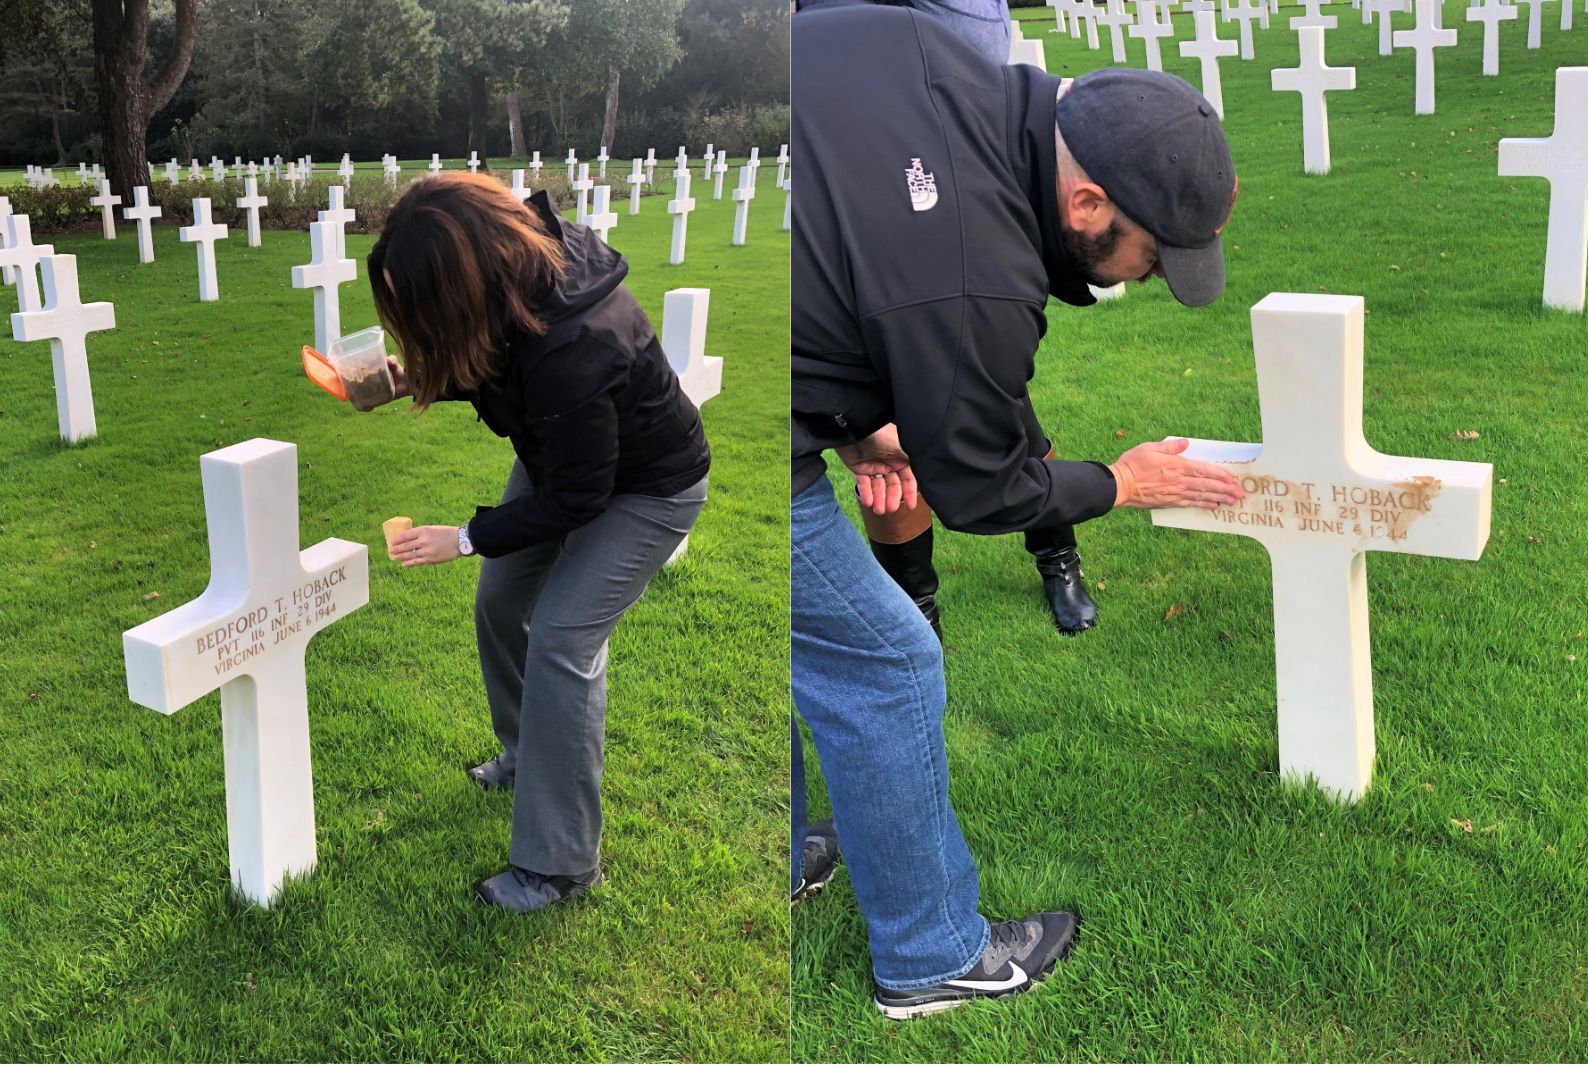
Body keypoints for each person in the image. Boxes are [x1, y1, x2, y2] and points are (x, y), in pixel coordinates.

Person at [791, 6, 1245, 1019]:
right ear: (1085, 202)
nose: (1149, 279)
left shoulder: (911, 39)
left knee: (805, 640)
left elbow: (839, 247)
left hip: (733, 384)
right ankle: (929, 954)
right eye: (1152, 258)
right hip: (739, 444)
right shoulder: (978, 271)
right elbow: (981, 488)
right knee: (886, 660)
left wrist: (853, 420)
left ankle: (785, 849)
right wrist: (1123, 482)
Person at [367, 173, 711, 913]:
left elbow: (579, 499)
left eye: (419, 306)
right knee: (501, 601)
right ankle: (528, 754)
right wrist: (410, 379)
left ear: (460, 283)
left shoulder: (576, 341)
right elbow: (503, 363)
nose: (412, 321)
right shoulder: (517, 276)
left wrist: (463, 536)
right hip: (571, 455)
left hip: (650, 488)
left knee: (562, 637)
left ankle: (560, 867)